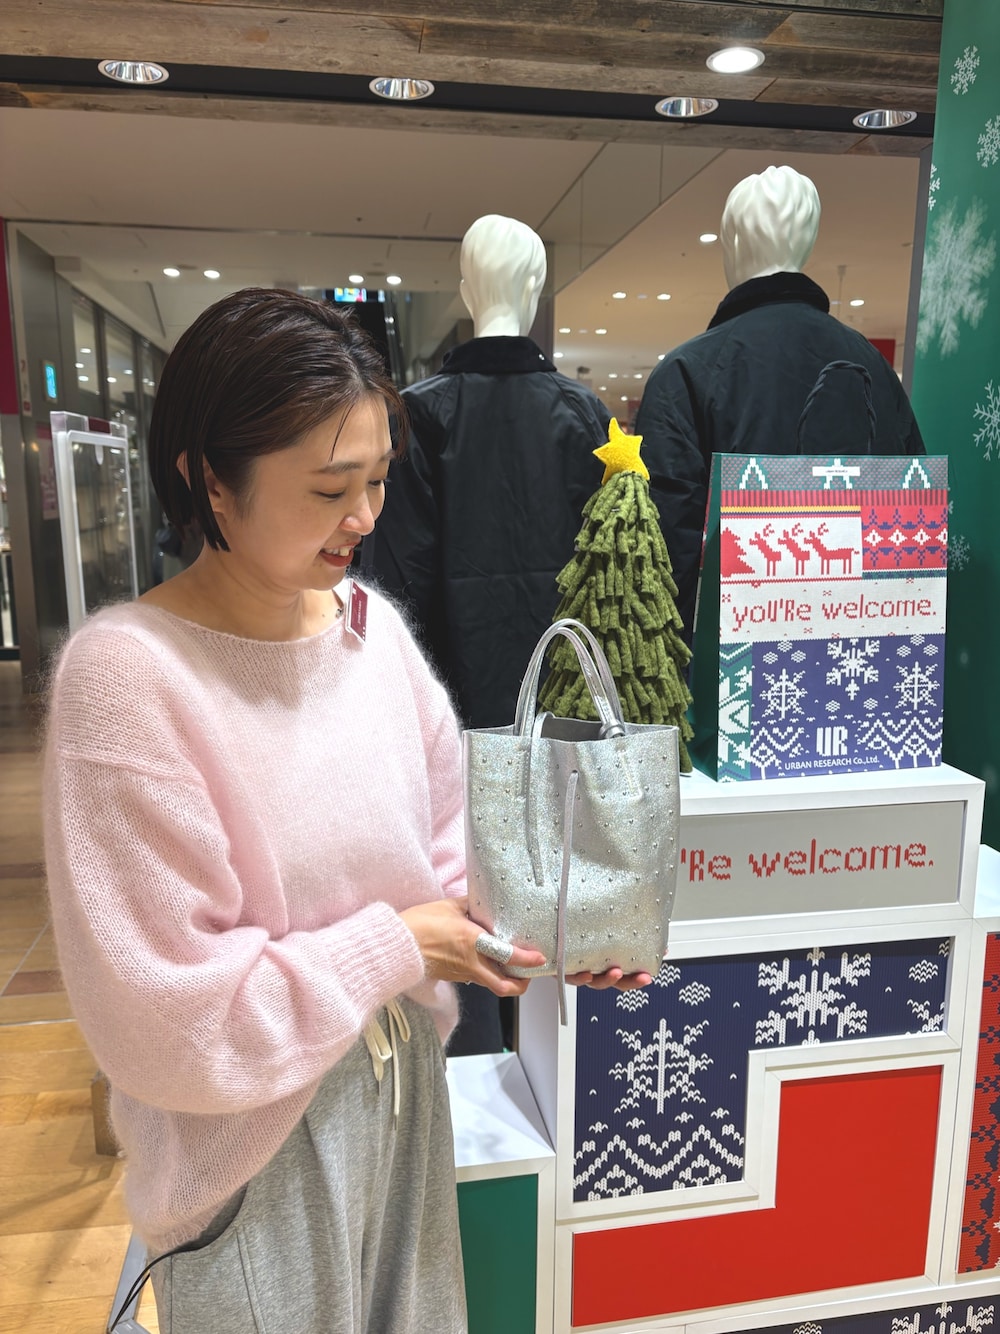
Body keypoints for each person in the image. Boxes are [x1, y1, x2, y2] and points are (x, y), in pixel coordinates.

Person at [42, 288, 648, 1334]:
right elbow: (164, 1021)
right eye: (330, 487)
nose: (365, 517)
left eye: (377, 479)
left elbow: (454, 860)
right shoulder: (129, 680)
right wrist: (396, 946)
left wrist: (553, 929)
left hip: (404, 1096)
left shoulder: (373, 635)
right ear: (209, 479)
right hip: (251, 1154)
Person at [371, 215, 613, 1054]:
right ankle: (555, 1063)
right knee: (566, 888)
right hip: (568, 715)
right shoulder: (586, 415)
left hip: (452, 711)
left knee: (467, 889)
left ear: (466, 292)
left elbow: (394, 587)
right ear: (537, 291)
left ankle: (473, 1064)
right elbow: (612, 583)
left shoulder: (419, 417)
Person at [634, 164, 926, 643]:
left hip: (728, 659)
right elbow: (909, 506)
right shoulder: (872, 367)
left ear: (732, 243)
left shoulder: (687, 371)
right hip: (862, 647)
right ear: (806, 243)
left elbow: (663, 548)